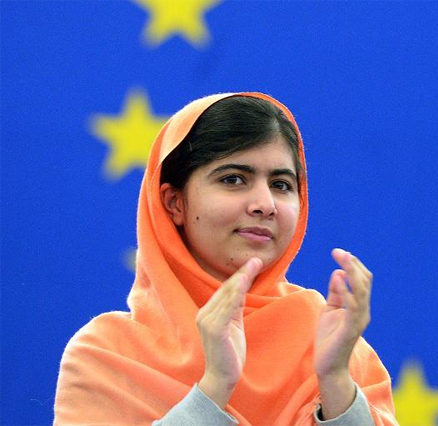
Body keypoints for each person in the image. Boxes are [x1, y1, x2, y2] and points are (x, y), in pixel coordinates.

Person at [54, 92, 398, 425]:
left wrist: (337, 384)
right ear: (175, 203)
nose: (265, 203)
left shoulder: (336, 344)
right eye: (233, 179)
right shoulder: (106, 355)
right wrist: (214, 386)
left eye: (281, 184)